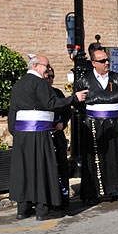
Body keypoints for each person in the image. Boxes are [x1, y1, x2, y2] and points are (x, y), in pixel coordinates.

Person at [8, 55, 87, 221]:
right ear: (36, 66)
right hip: (38, 134)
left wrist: (17, 133)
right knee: (42, 169)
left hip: (22, 135)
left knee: (25, 171)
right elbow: (51, 104)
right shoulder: (39, 83)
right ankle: (43, 210)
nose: (49, 69)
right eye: (47, 66)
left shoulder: (18, 84)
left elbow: (12, 113)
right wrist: (74, 99)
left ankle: (23, 209)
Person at [74, 49, 118, 204]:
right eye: (102, 61)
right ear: (94, 63)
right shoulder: (84, 80)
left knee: (116, 157)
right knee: (94, 159)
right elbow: (78, 103)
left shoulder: (117, 79)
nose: (107, 63)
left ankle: (117, 189)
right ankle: (92, 193)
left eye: (107, 60)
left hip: (114, 125)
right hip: (93, 125)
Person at [45, 66, 73, 209]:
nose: (50, 79)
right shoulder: (38, 94)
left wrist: (62, 123)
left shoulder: (57, 93)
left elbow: (67, 111)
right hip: (44, 138)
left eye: (52, 77)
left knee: (61, 167)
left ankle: (63, 198)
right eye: (47, 76)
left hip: (58, 135)